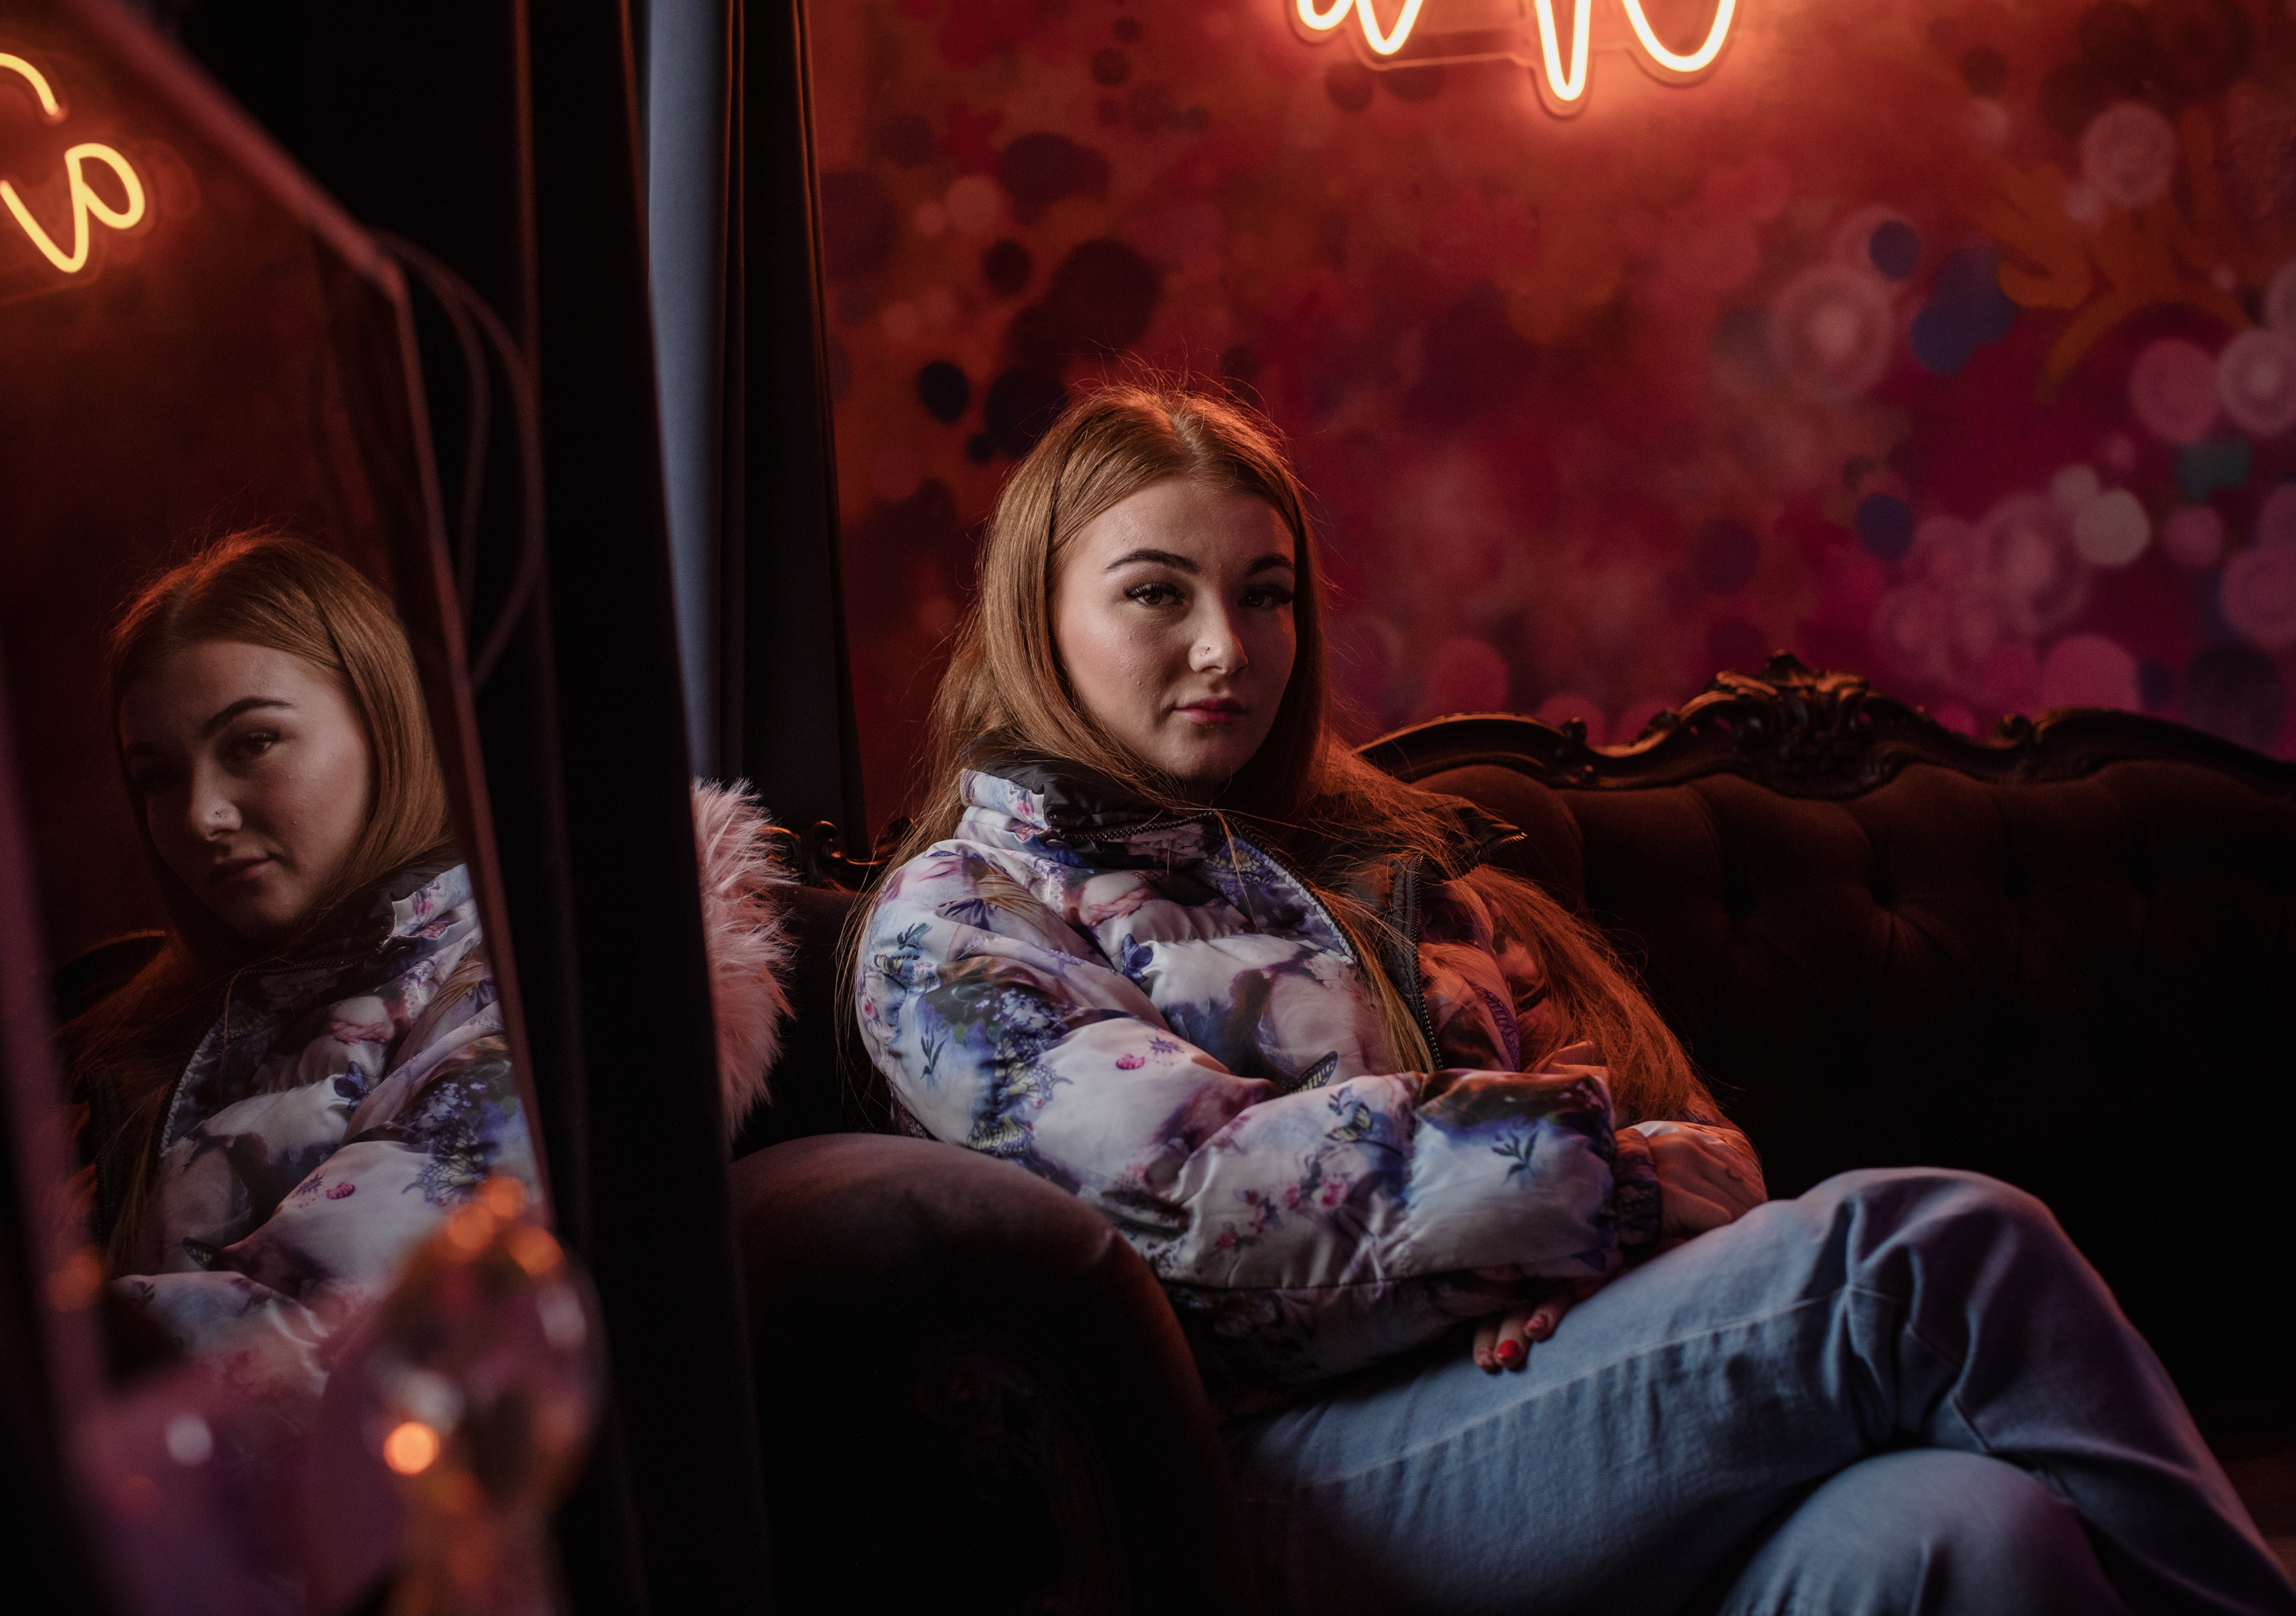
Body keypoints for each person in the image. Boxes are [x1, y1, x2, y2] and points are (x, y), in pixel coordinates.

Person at [849, 383, 2295, 1615]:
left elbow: (1704, 1156)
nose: (1227, 643)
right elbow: (1217, 1199)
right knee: (1939, 1248)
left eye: (1266, 590)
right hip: (1284, 1478)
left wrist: (1569, 1229)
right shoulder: (959, 918)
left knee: (1976, 1530)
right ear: (1038, 610)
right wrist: (1567, 1216)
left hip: (1539, 1404)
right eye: (1158, 588)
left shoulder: (1389, 872)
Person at [63, 532, 536, 1433]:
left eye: (253, 742)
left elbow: (338, 1343)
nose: (199, 815)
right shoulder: (145, 1019)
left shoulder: (499, 986)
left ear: (386, 722)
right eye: (156, 777)